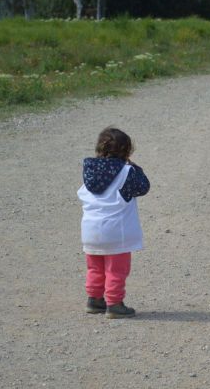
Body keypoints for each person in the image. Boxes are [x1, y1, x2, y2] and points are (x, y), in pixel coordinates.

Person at [77, 127, 150, 319]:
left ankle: (94, 300)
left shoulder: (90, 172)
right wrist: (134, 166)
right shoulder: (127, 172)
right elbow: (144, 187)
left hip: (90, 231)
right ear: (127, 151)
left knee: (95, 268)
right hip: (117, 232)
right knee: (116, 270)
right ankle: (114, 303)